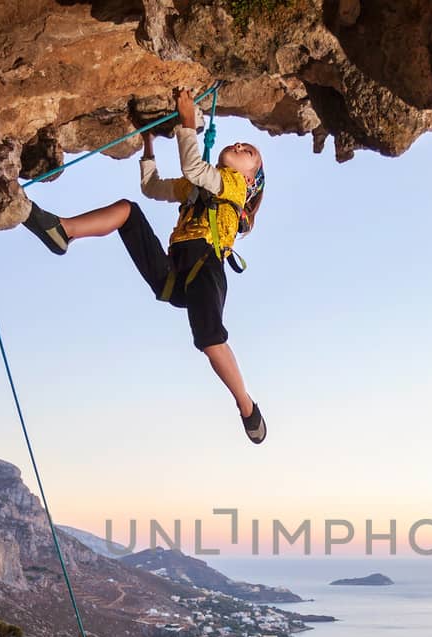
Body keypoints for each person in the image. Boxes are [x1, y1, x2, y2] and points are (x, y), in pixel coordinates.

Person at [23, 87, 267, 444]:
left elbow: (195, 167)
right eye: (243, 144)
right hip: (176, 271)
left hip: (205, 265)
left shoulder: (233, 186)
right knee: (128, 212)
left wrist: (187, 121)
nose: (242, 146)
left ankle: (247, 407)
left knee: (211, 340)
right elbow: (152, 188)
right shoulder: (202, 186)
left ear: (249, 179)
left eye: (250, 153)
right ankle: (64, 231)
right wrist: (149, 144)